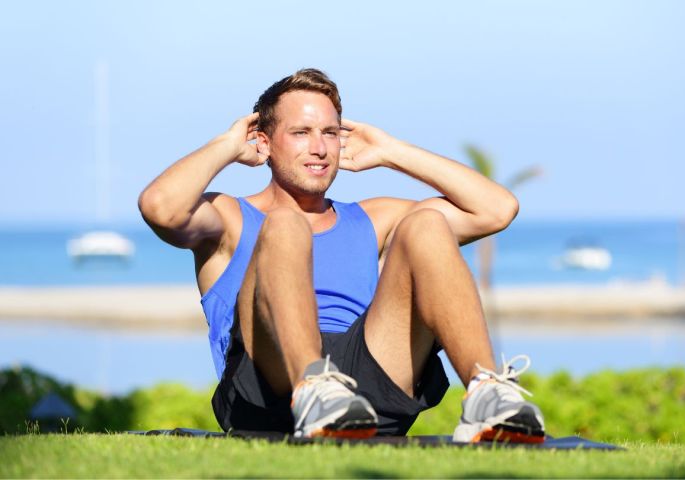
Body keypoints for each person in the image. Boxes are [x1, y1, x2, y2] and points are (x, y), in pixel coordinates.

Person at [138, 68, 545, 442]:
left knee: (428, 224)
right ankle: (315, 389)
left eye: (330, 133)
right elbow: (161, 207)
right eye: (301, 132)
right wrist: (226, 146)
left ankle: (488, 397)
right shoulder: (230, 216)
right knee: (285, 223)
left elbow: (496, 209)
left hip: (364, 388)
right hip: (268, 386)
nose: (319, 148)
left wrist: (391, 151)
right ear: (263, 141)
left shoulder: (371, 218)